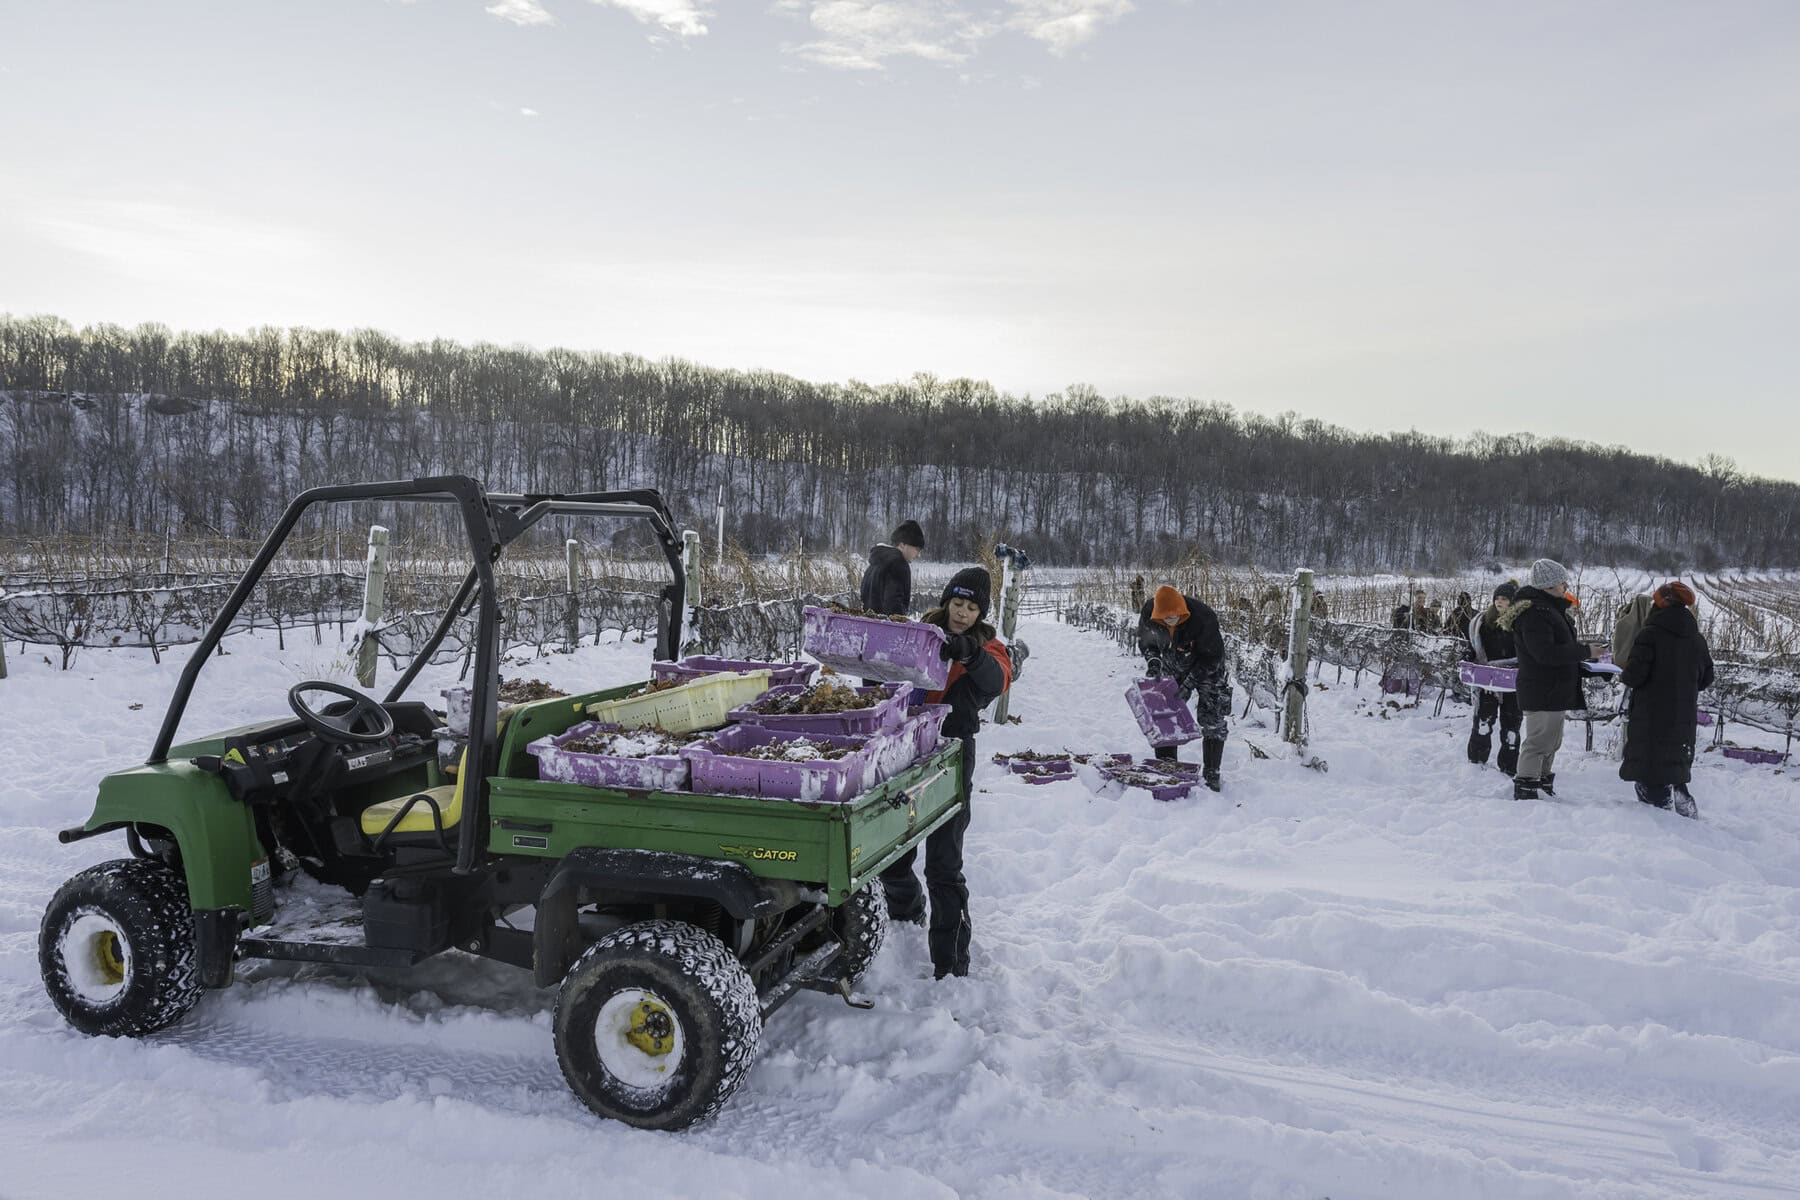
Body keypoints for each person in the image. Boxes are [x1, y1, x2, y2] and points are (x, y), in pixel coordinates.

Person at [880, 566, 1012, 979]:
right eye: (957, 603)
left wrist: (968, 653)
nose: (962, 613)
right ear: (946, 601)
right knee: (893, 845)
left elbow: (998, 681)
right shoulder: (922, 631)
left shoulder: (989, 647)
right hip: (904, 750)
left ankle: (950, 960)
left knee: (944, 858)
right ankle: (904, 912)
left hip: (952, 755)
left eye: (972, 608)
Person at [1499, 558, 1600, 800]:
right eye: (1562, 581)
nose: (1566, 585)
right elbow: (1544, 653)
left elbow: (1557, 648)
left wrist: (1584, 657)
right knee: (1538, 742)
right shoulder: (1535, 613)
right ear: (1549, 585)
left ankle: (1543, 783)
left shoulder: (1550, 609)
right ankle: (1526, 788)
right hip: (1541, 689)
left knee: (1551, 742)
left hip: (1554, 689)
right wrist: (1585, 651)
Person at [1619, 581, 1714, 818]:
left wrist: (1623, 672)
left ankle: (1660, 816)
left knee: (1650, 771)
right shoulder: (1696, 639)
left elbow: (1635, 676)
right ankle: (1681, 798)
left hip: (1651, 713)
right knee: (1674, 764)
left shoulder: (1649, 635)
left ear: (1660, 604)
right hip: (1683, 714)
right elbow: (1706, 678)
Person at [1137, 585, 1230, 791]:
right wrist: (1153, 662)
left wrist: (1189, 684)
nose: (1172, 621)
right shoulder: (1148, 612)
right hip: (1174, 663)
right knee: (1165, 711)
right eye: (1166, 619)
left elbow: (1212, 658)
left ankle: (1212, 774)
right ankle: (1167, 768)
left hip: (1207, 667)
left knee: (1212, 717)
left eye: (1176, 618)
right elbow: (1146, 642)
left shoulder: (1203, 618)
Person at [1463, 582, 1522, 774]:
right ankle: (1476, 762)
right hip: (1487, 678)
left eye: (1504, 599)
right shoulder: (1483, 622)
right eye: (1497, 598)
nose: (1499, 602)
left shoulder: (1521, 624)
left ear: (1513, 602)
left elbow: (1528, 650)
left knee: (1512, 727)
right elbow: (1473, 646)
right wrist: (1467, 655)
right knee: (1483, 721)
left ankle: (1509, 766)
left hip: (1513, 680)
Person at [859, 520, 924, 615]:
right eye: (917, 549)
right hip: (887, 628)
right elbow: (893, 604)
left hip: (869, 625)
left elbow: (864, 598)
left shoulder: (875, 562)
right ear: (902, 545)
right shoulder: (899, 564)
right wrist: (900, 621)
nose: (918, 555)